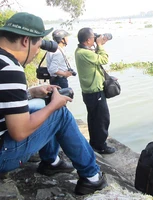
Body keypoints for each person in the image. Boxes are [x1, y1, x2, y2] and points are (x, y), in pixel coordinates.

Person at [0, 12, 108, 195]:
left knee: (40, 104)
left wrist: (30, 92)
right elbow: (20, 132)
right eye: (38, 46)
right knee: (59, 114)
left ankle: (51, 162)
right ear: (26, 41)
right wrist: (53, 106)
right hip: (4, 154)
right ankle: (91, 176)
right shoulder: (11, 68)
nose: (36, 53)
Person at [74, 27, 115, 154]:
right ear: (87, 40)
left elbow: (94, 57)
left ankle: (94, 143)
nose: (94, 39)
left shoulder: (80, 51)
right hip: (94, 92)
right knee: (102, 119)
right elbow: (104, 59)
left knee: (93, 119)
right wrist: (100, 45)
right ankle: (101, 145)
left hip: (89, 92)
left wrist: (97, 45)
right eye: (93, 38)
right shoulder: (84, 53)